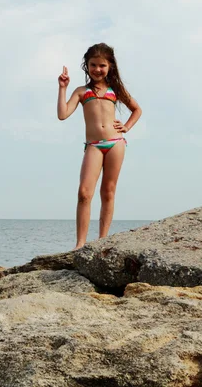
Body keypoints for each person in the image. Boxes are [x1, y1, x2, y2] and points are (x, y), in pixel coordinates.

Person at [57, 43, 142, 249]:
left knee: (108, 191)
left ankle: (103, 240)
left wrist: (126, 127)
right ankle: (80, 244)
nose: (97, 69)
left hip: (115, 143)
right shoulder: (81, 91)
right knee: (84, 193)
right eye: (93, 65)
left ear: (110, 66)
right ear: (86, 66)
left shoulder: (115, 90)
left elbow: (137, 110)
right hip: (94, 145)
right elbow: (62, 114)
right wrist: (63, 88)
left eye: (102, 65)